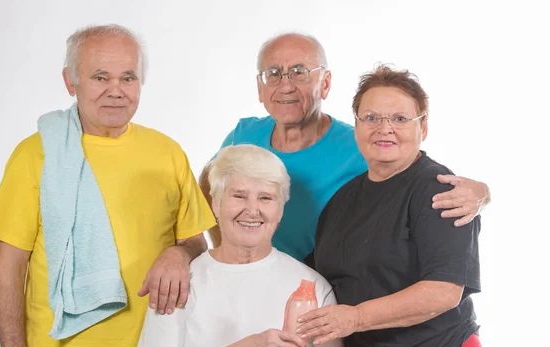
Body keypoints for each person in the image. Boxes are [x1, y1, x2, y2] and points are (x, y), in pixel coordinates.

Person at [0, 24, 215, 347]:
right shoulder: (37, 155)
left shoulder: (167, 153)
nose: (116, 90)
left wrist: (180, 253)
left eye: (128, 77)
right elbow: (8, 268)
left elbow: (197, 243)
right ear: (70, 81)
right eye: (100, 77)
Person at [296, 65, 485, 347]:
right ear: (357, 125)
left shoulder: (439, 190)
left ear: (423, 127)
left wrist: (355, 317)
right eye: (372, 117)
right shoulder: (343, 199)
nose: (385, 128)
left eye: (399, 118)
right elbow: (314, 273)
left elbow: (443, 292)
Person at [133, 144, 354, 347]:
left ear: (280, 210)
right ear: (215, 203)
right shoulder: (180, 281)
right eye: (238, 196)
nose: (252, 210)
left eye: (266, 198)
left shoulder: (313, 287)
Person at [199, 32, 490, 263]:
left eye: (299, 71)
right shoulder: (245, 133)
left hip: (324, 287)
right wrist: (225, 247)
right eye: (273, 73)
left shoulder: (360, 143)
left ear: (325, 83)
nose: (285, 85)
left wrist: (482, 193)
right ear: (260, 88)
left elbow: (417, 175)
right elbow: (206, 184)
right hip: (254, 278)